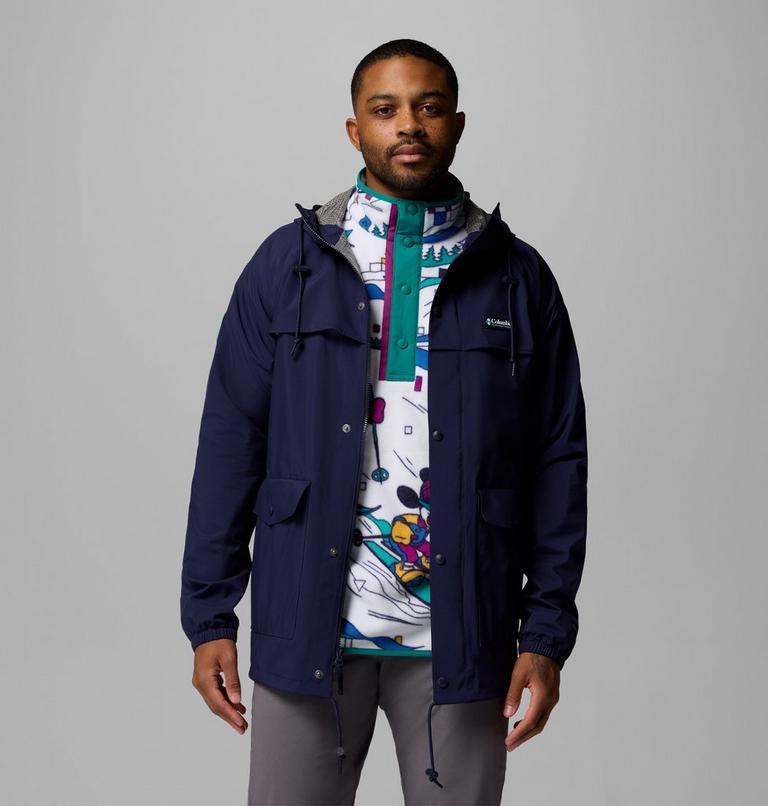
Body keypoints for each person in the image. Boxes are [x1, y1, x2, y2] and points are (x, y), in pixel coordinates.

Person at [180, 38, 588, 806]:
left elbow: (558, 462)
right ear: (354, 129)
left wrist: (544, 636)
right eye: (386, 109)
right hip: (308, 633)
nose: (409, 125)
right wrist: (209, 618)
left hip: (464, 642)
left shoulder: (516, 277)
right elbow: (231, 442)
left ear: (456, 125)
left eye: (429, 108)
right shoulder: (287, 266)